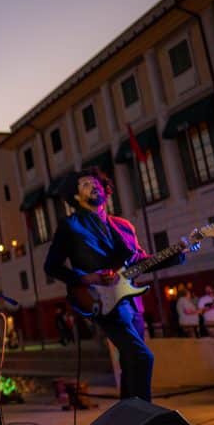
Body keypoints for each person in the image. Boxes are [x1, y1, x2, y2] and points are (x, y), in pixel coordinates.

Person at [44, 167, 194, 401]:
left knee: (131, 364)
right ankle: (144, 418)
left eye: (95, 182)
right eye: (84, 184)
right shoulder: (70, 226)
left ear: (104, 188)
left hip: (132, 303)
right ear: (75, 196)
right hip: (100, 300)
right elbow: (51, 266)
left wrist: (178, 252)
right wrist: (86, 278)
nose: (92, 186)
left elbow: (142, 262)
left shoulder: (124, 226)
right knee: (143, 357)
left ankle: (127, 421)